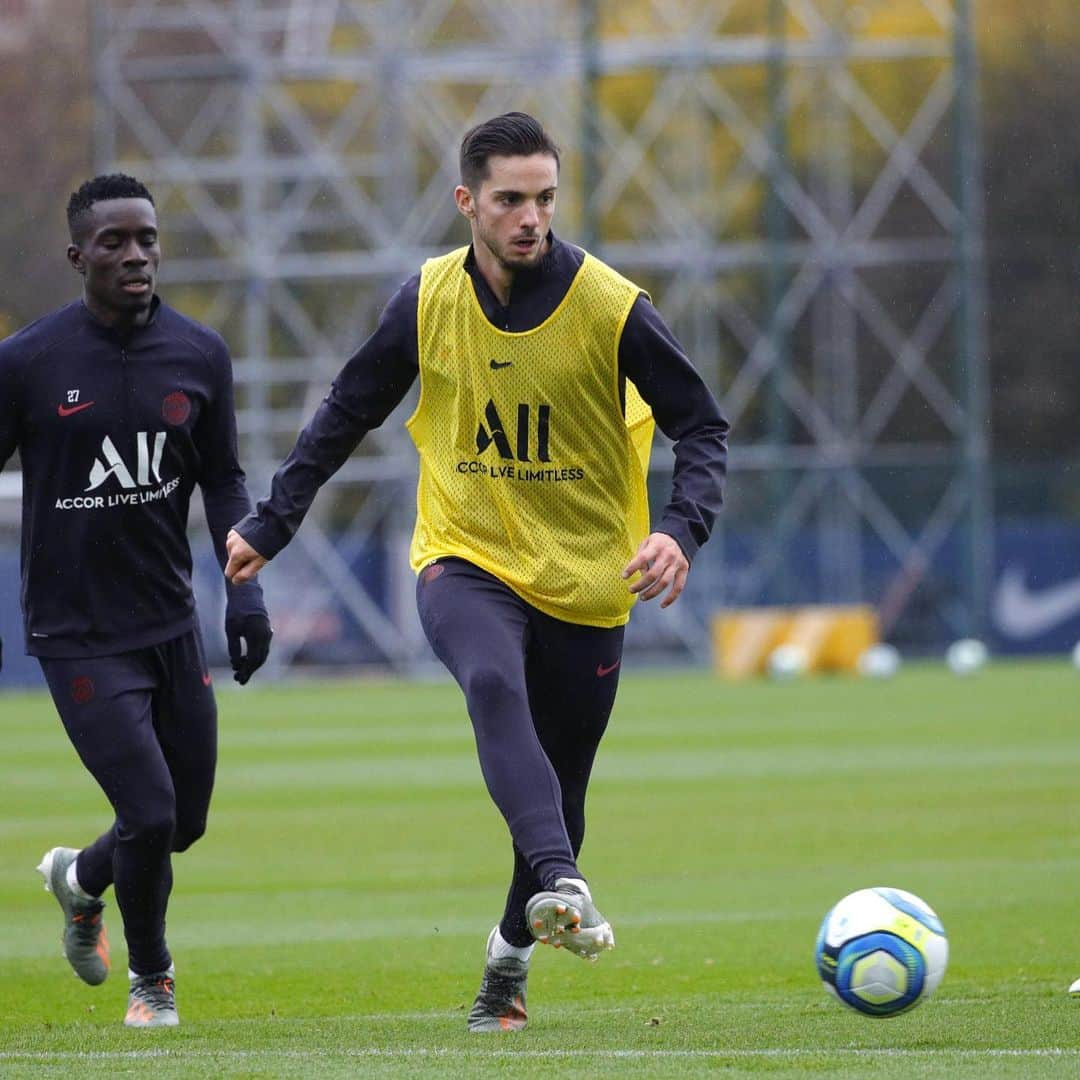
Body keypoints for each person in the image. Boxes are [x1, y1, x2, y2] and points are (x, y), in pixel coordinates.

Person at [224, 112, 728, 1032]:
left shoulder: (615, 309)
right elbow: (348, 408)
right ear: (467, 202)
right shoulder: (425, 301)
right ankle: (566, 881)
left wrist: (680, 531)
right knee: (493, 683)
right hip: (466, 554)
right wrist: (275, 519)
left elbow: (704, 425)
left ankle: (506, 963)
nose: (530, 216)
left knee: (560, 790)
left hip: (588, 576)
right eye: (509, 199)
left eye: (544, 197)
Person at [0, 174, 272, 1028]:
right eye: (114, 242)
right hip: (76, 630)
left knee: (180, 822)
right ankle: (152, 980)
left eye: (147, 239)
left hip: (169, 621)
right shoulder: (29, 362)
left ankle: (81, 879)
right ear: (79, 256)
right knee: (147, 811)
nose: (135, 255)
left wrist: (244, 593)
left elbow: (224, 480)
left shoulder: (200, 353)